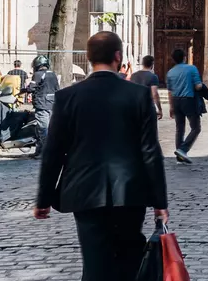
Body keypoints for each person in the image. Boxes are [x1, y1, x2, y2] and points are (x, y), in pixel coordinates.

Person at [34, 31, 168, 281]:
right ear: (118, 56)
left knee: (95, 263)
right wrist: (160, 201)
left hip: (85, 192)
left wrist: (43, 199)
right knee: (130, 262)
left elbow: (54, 152)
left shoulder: (67, 97)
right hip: (130, 193)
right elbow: (150, 151)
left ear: (87, 57)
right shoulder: (138, 95)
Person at [165, 49, 205, 164]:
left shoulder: (170, 72)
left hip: (176, 101)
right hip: (188, 100)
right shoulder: (192, 68)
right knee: (196, 127)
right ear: (184, 57)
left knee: (180, 128)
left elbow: (170, 91)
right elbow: (198, 86)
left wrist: (171, 107)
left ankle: (179, 157)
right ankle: (183, 150)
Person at [26, 55, 60, 158]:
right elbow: (57, 88)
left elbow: (31, 88)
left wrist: (24, 90)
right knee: (45, 128)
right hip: (52, 105)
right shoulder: (53, 74)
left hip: (42, 104)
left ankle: (45, 153)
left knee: (42, 129)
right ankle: (39, 150)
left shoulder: (38, 74)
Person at [128, 55, 163, 120]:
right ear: (152, 64)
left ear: (142, 63)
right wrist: (159, 109)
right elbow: (154, 94)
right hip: (148, 107)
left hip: (135, 107)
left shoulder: (133, 75)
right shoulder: (153, 77)